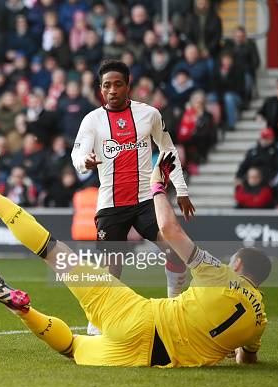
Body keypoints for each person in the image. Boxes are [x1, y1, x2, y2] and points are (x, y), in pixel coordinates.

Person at [0, 149, 269, 367]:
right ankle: (25, 311)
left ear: (238, 265)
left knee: (53, 251)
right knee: (72, 346)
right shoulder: (259, 321)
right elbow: (248, 359)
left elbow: (169, 228)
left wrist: (158, 186)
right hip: (146, 358)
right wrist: (232, 347)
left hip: (138, 315)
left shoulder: (221, 275)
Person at [70, 59, 195, 337]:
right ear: (100, 89)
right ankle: (97, 322)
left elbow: (168, 150)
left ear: (128, 85)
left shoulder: (149, 114)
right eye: (106, 86)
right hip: (111, 204)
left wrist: (182, 190)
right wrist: (84, 162)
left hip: (145, 200)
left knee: (173, 251)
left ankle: (174, 308)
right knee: (112, 266)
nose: (112, 90)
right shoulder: (92, 120)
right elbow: (77, 153)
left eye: (117, 84)